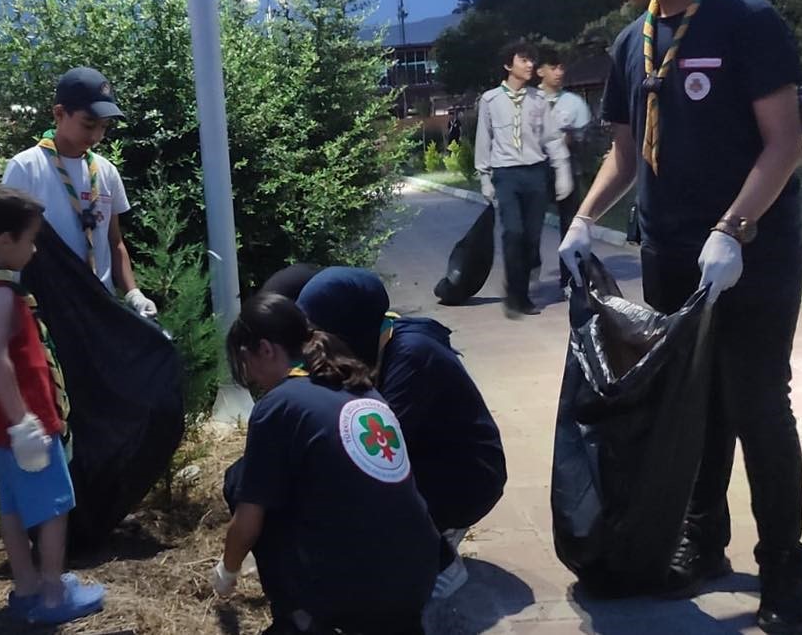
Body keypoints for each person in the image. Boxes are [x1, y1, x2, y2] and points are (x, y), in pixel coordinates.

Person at [559, 0, 802, 632]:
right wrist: (581, 219)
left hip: (750, 256)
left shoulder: (745, 20)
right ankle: (703, 544)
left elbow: (784, 144)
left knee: (759, 407)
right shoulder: (627, 41)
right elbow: (628, 155)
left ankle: (783, 574)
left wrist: (733, 229)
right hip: (669, 254)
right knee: (691, 413)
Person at [214, 292, 439, 635]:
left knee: (241, 479)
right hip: (419, 572)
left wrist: (227, 572)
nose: (253, 378)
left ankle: (303, 620)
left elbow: (249, 522)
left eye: (246, 361)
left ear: (265, 349)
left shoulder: (278, 405)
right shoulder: (358, 384)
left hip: (360, 591)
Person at [296, 268, 506, 601]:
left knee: (370, 481)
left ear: (347, 327)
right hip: (438, 461)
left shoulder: (412, 355)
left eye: (321, 333)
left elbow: (380, 448)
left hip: (468, 479)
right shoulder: (385, 337)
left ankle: (441, 562)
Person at [0, 185, 105, 625]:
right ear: (5, 241)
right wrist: (24, 422)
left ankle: (26, 587)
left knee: (14, 510)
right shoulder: (1, 293)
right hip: (26, 425)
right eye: (30, 239)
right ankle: (54, 595)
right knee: (54, 509)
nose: (35, 249)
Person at [2, 67, 158, 319]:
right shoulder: (26, 168)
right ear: (59, 114)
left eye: (104, 127)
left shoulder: (105, 172)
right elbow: (6, 242)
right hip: (49, 311)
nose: (96, 135)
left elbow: (114, 241)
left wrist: (133, 294)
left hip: (100, 308)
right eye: (88, 125)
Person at [476, 42, 574, 317]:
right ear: (509, 66)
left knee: (532, 237)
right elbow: (485, 139)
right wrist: (484, 176)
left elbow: (552, 138)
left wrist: (562, 170)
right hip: (506, 174)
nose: (530, 65)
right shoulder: (490, 100)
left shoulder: (538, 100)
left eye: (532, 60)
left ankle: (526, 279)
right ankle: (516, 296)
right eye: (524, 60)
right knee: (513, 233)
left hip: (535, 173)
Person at [536, 46, 596, 290]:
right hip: (537, 167)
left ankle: (570, 280)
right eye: (553, 67)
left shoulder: (574, 103)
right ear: (540, 71)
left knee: (570, 223)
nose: (559, 72)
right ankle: (527, 274)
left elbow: (586, 135)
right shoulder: (529, 101)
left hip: (568, 166)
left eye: (561, 67)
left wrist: (575, 140)